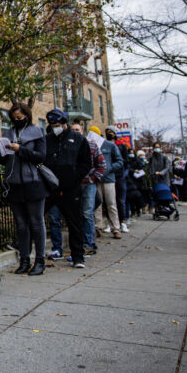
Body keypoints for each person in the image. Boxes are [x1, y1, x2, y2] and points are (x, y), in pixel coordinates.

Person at [0, 102, 47, 276]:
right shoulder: (9, 133)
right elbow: (2, 160)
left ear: (27, 116)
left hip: (33, 182)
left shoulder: (37, 132)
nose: (17, 120)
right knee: (21, 224)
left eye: (19, 118)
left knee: (36, 222)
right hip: (14, 183)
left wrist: (21, 150)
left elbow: (41, 156)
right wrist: (3, 152)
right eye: (13, 118)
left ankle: (40, 260)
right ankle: (24, 260)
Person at [43, 109, 91, 268]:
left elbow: (86, 163)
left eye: (57, 124)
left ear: (64, 123)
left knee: (74, 223)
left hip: (71, 188)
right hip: (50, 187)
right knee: (41, 218)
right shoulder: (47, 140)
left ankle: (78, 256)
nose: (54, 127)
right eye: (52, 125)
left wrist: (75, 178)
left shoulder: (78, 139)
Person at [70, 121, 105, 255]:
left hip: (88, 183)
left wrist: (93, 178)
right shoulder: (68, 146)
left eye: (77, 130)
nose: (75, 132)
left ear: (82, 131)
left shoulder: (91, 145)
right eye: (73, 130)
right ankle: (79, 243)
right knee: (75, 214)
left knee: (87, 213)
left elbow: (101, 165)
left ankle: (89, 244)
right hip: (73, 185)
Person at [89, 125, 123, 239]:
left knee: (111, 204)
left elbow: (120, 161)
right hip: (96, 180)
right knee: (97, 204)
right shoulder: (91, 146)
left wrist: (109, 168)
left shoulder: (110, 145)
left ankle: (116, 228)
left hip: (108, 180)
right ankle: (98, 227)